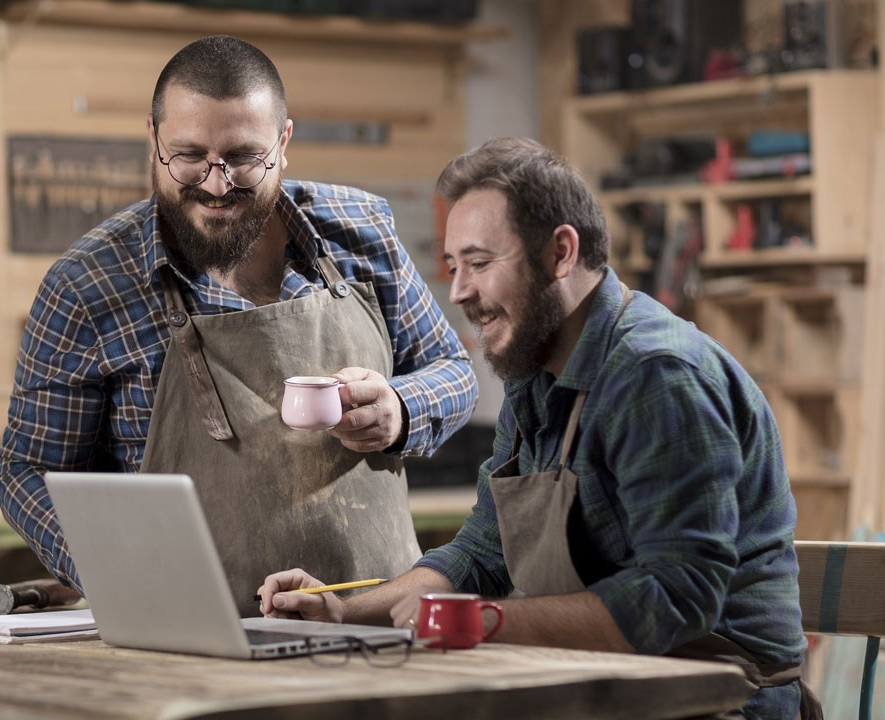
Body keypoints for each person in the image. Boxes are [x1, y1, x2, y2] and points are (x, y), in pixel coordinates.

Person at [259, 137, 816, 719]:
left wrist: (482, 622)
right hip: (611, 687)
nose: (460, 292)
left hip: (723, 701)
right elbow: (483, 551)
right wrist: (344, 615)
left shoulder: (656, 375)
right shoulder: (536, 373)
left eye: (479, 263)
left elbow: (678, 597)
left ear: (561, 253)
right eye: (454, 267)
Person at [0, 35, 478, 615]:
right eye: (190, 156)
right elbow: (28, 472)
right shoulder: (87, 286)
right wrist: (116, 568)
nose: (217, 184)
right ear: (153, 140)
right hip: (188, 631)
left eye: (244, 157)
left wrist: (401, 408)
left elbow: (455, 372)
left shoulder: (361, 231)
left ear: (284, 142)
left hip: (372, 619)